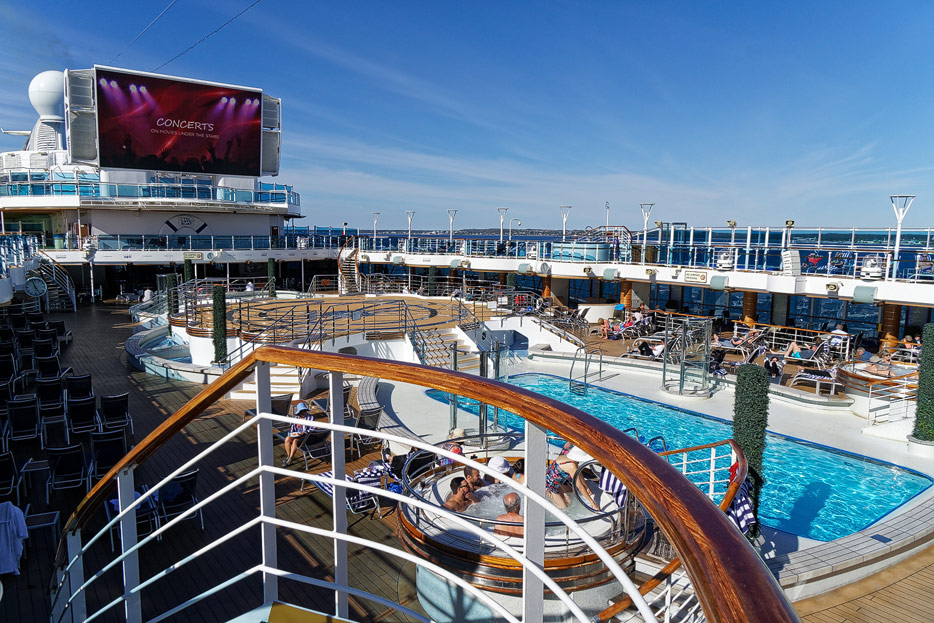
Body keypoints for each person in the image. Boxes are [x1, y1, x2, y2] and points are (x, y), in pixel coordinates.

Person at [282, 402, 314, 467]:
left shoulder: (310, 418)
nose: (303, 412)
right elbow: (292, 428)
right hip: (297, 435)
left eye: (305, 410)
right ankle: (289, 456)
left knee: (295, 441)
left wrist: (304, 432)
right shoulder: (297, 418)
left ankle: (290, 459)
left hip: (306, 437)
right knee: (287, 439)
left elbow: (313, 429)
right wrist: (291, 434)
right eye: (301, 411)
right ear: (299, 412)